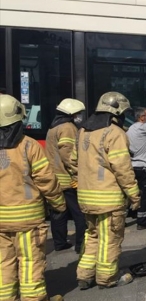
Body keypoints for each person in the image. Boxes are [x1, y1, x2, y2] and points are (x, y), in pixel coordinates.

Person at [0, 95, 66, 301]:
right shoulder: (28, 145)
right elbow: (46, 179)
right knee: (29, 259)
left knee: (3, 261)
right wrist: (58, 203)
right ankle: (34, 300)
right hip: (28, 218)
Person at [76, 92, 141, 289]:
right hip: (109, 198)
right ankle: (106, 278)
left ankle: (84, 276)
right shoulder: (115, 133)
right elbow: (122, 168)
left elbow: (73, 159)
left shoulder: (83, 131)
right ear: (117, 112)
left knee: (92, 235)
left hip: (86, 197)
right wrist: (134, 194)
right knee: (110, 239)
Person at [45, 98, 87, 253]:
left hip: (54, 178)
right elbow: (68, 153)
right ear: (72, 113)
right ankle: (80, 245)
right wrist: (77, 172)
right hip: (67, 178)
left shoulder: (53, 127)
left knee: (58, 211)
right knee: (80, 213)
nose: (80, 116)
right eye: (79, 113)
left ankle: (60, 243)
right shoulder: (68, 127)